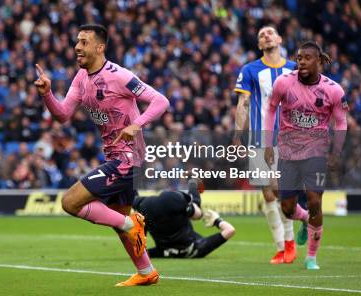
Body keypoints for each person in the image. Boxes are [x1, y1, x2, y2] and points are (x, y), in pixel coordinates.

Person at [34, 24, 169, 286]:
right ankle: (146, 272)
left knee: (70, 202)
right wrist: (48, 94)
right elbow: (62, 115)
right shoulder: (81, 78)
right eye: (76, 42)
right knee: (119, 221)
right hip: (114, 157)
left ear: (100, 47)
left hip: (128, 159)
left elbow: (161, 101)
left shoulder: (119, 75)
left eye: (83, 42)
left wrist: (136, 124)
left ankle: (134, 223)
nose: (77, 47)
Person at [265, 41, 348, 270]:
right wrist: (267, 144)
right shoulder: (283, 83)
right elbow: (271, 109)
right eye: (299, 57)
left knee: (315, 203)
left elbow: (341, 122)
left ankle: (311, 257)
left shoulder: (333, 90)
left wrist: (336, 152)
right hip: (288, 152)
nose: (301, 62)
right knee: (287, 208)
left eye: (307, 58)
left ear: (319, 61)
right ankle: (302, 219)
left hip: (316, 153)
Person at [234, 25, 301, 264]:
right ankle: (281, 247)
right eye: (262, 35)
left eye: (270, 32)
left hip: (290, 137)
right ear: (259, 45)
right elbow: (243, 103)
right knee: (267, 191)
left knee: (280, 186)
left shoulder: (295, 69)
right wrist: (237, 135)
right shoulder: (250, 70)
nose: (266, 35)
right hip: (259, 137)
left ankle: (291, 240)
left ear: (280, 39)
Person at [133, 181, 235, 259]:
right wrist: (217, 220)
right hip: (157, 205)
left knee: (195, 208)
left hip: (153, 208)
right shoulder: (197, 249)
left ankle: (193, 183)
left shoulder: (160, 251)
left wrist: (217, 221)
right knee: (196, 209)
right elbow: (230, 230)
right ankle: (193, 183)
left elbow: (140, 250)